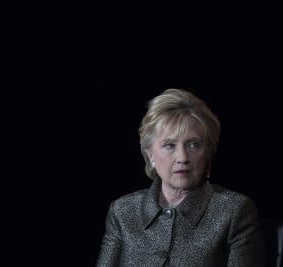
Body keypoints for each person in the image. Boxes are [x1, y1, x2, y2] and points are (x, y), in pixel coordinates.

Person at [96, 88, 265, 266]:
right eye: (169, 145)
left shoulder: (234, 211)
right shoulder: (123, 210)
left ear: (208, 153)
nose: (183, 158)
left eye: (193, 145)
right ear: (151, 155)